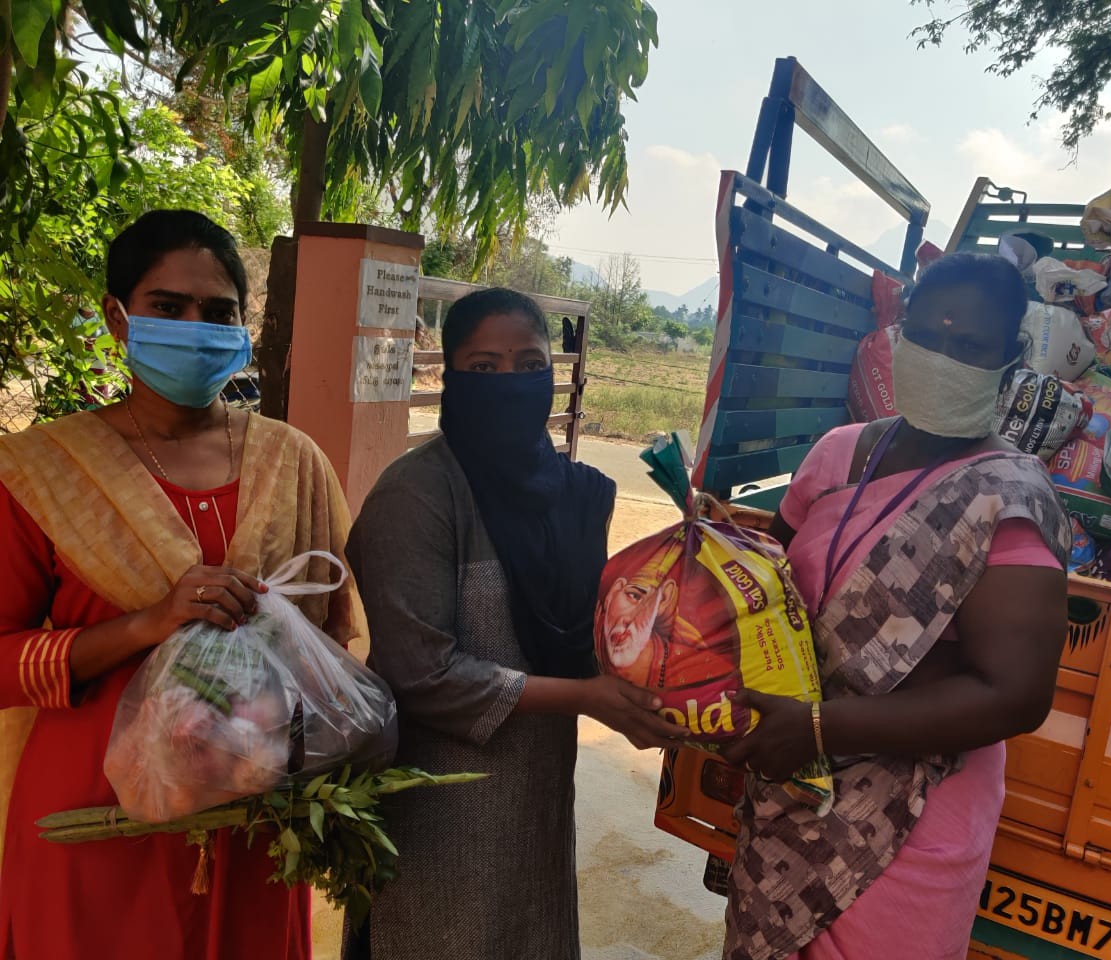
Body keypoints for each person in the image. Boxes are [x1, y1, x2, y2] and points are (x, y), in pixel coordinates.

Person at [0, 209, 363, 960]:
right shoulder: (40, 471)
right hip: (96, 818)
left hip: (256, 819)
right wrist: (147, 624)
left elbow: (336, 640)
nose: (195, 328)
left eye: (219, 312)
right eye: (167, 307)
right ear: (118, 317)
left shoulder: (295, 461)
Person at [721, 252, 1071, 960]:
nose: (943, 357)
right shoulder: (838, 453)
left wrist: (818, 728)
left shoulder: (1009, 497)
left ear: (1011, 357)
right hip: (790, 783)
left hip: (910, 819)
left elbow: (1016, 696)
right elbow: (765, 582)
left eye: (969, 346)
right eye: (927, 335)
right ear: (899, 333)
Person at [342, 287, 684, 960]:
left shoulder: (572, 494)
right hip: (436, 805)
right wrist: (586, 697)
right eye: (485, 367)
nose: (511, 382)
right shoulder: (416, 496)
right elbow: (420, 672)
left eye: (530, 365)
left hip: (537, 786)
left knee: (529, 930)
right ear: (451, 375)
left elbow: (591, 628)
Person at [595, 541, 737, 689]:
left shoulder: (700, 668)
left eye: (643, 599)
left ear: (663, 600)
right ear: (613, 592)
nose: (629, 619)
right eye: (633, 595)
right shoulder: (592, 634)